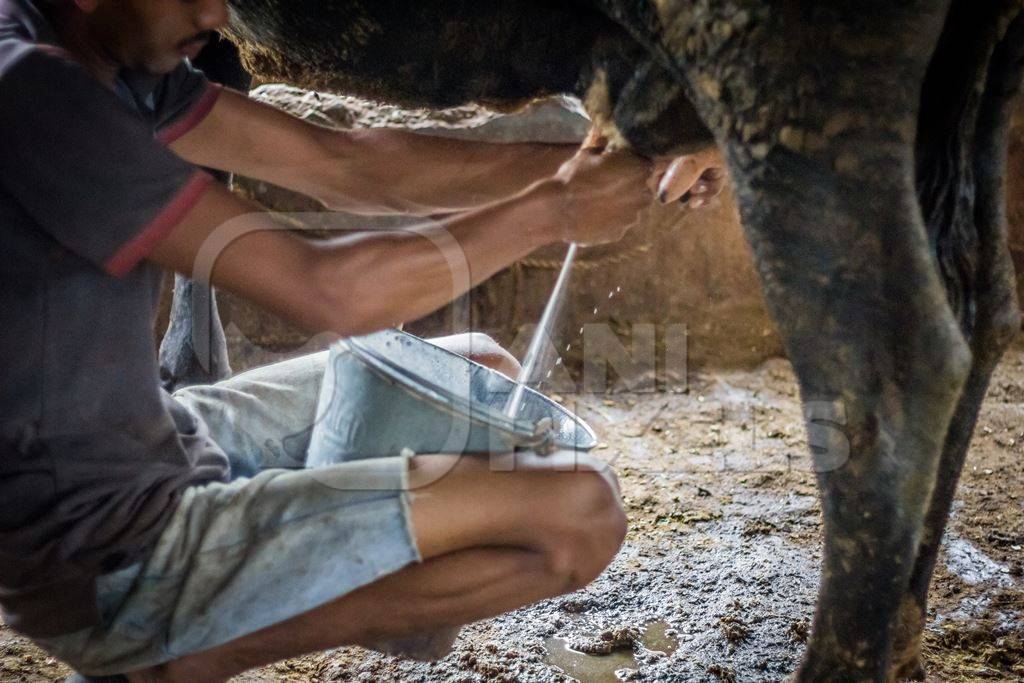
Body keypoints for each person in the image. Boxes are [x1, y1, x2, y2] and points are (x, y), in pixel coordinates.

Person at [0, 0, 725, 680]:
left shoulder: (109, 59)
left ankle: (276, 572)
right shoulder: (33, 92)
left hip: (161, 441)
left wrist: (624, 159)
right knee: (581, 513)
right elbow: (329, 290)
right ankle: (176, 652)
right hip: (101, 556)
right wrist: (559, 207)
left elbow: (351, 165)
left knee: (480, 368)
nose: (217, 13)